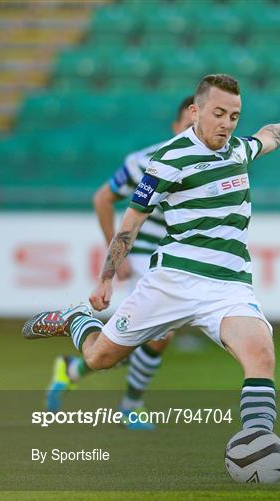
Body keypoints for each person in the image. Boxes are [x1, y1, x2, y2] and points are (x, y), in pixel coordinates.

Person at [23, 74, 280, 467]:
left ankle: (259, 443)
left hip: (229, 287)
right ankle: (76, 320)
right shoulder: (167, 160)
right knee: (100, 359)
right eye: (218, 113)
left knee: (260, 353)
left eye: (234, 116)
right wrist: (106, 277)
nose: (226, 123)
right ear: (195, 112)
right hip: (170, 283)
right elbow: (130, 224)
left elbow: (268, 136)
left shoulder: (239, 150)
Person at [47, 96, 194, 430]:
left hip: (177, 258)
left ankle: (72, 368)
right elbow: (102, 197)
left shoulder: (211, 164)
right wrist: (115, 252)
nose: (193, 134)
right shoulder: (144, 161)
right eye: (188, 126)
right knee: (162, 333)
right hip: (144, 254)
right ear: (175, 128)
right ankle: (130, 405)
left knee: (140, 335)